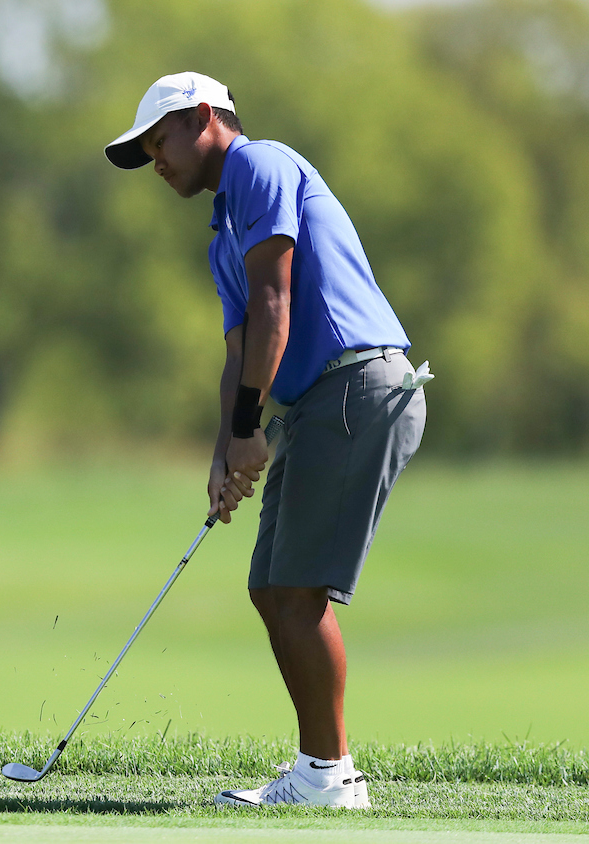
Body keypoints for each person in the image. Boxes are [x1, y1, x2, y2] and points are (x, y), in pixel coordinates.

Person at [104, 72, 427, 809]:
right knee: (270, 588)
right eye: (147, 148)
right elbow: (239, 348)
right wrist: (224, 452)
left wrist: (251, 429)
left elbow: (277, 301)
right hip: (315, 404)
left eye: (160, 139)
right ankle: (322, 771)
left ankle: (330, 777)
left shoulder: (260, 165)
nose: (155, 159)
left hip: (357, 385)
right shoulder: (223, 234)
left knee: (299, 590)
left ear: (205, 117)